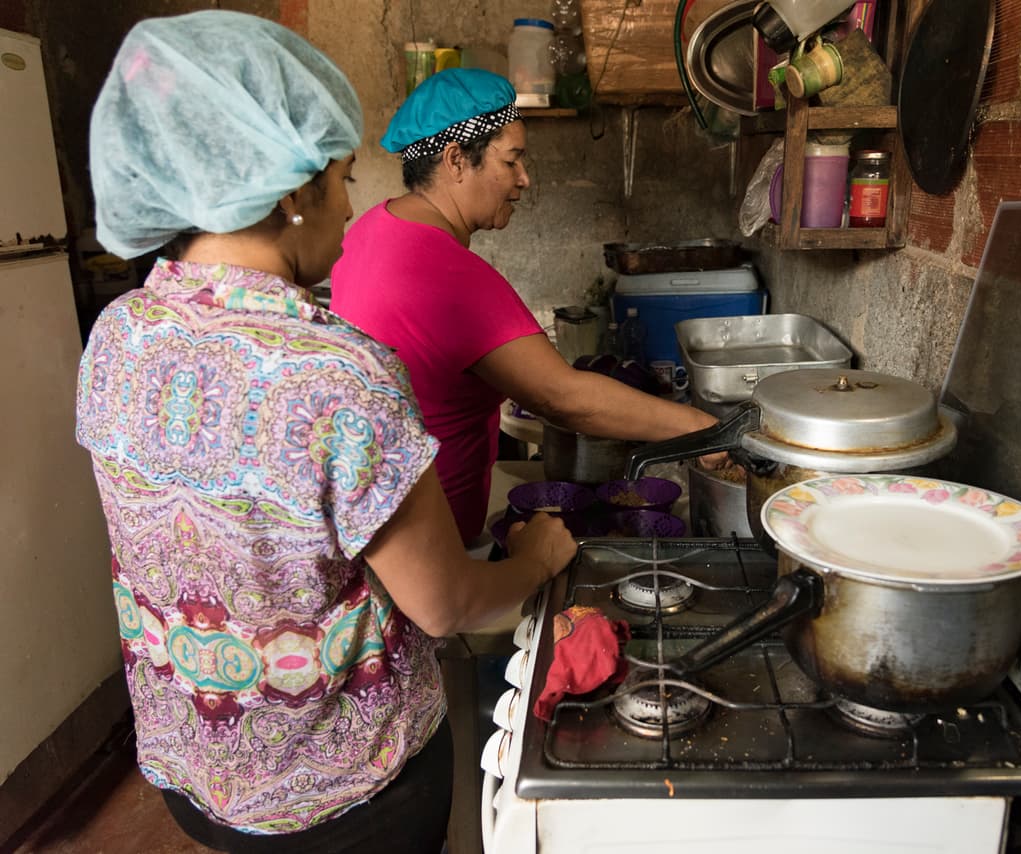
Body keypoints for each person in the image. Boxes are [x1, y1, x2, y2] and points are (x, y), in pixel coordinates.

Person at [76, 12, 576, 852]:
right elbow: (447, 604)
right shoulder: (337, 372)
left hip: (197, 771)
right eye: (342, 179)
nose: (351, 206)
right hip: (346, 799)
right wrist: (539, 560)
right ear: (291, 195)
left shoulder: (117, 336)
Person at [329, 68, 721, 543]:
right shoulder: (448, 271)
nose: (524, 179)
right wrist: (703, 428)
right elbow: (562, 399)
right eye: (512, 161)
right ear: (456, 160)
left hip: (379, 528)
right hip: (438, 550)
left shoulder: (371, 229)